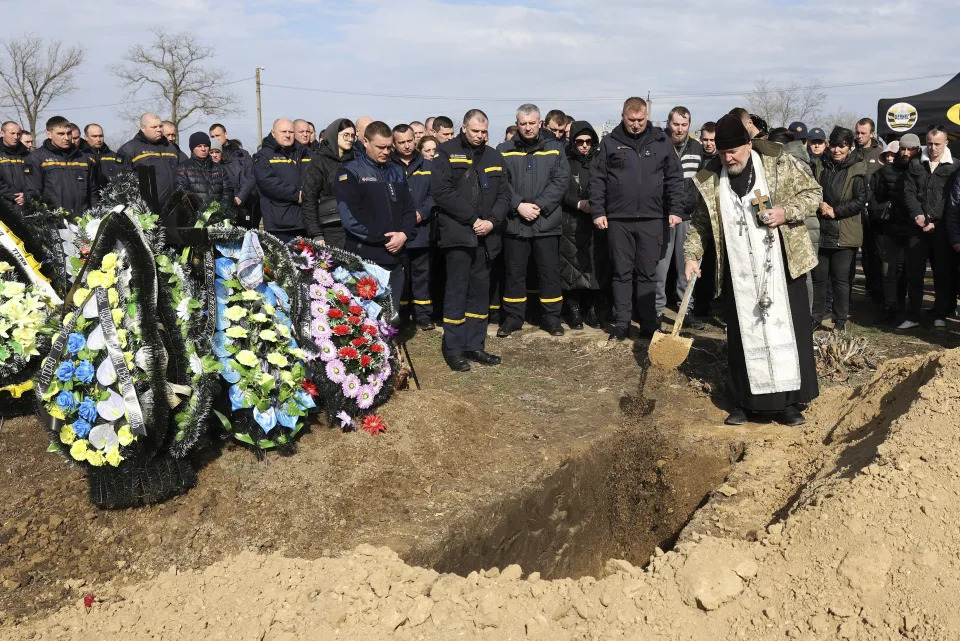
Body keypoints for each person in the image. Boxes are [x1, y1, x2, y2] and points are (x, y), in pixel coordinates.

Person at [684, 114, 821, 426]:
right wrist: (692, 256)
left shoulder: (779, 163)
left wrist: (787, 212)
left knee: (788, 332)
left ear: (748, 144)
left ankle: (789, 404)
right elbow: (699, 227)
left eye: (733, 151)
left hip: (782, 265)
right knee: (744, 337)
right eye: (722, 153)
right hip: (740, 270)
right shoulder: (709, 180)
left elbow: (813, 194)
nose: (728, 158)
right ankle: (744, 403)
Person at [589, 97, 683, 341]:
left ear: (647, 117)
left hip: (653, 218)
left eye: (640, 120)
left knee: (648, 273)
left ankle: (648, 325)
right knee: (621, 273)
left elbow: (674, 177)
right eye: (631, 120)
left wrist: (675, 209)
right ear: (623, 116)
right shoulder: (609, 143)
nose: (636, 125)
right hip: (619, 219)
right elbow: (597, 179)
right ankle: (621, 324)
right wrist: (598, 211)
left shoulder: (662, 142)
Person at [431, 109, 510, 371]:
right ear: (464, 128)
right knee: (456, 292)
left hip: (487, 238)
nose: (479, 136)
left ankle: (475, 345)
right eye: (475, 131)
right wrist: (473, 219)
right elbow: (441, 192)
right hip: (459, 235)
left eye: (484, 131)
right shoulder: (446, 152)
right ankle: (454, 349)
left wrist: (492, 221)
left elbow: (504, 195)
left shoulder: (495, 156)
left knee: (480, 293)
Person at [495, 103, 570, 337]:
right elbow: (500, 182)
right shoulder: (503, 149)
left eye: (531, 123)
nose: (527, 128)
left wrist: (539, 206)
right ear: (517, 124)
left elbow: (561, 181)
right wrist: (518, 205)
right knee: (514, 273)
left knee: (549, 273)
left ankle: (551, 319)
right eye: (523, 123)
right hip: (515, 223)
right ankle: (514, 318)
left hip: (545, 223)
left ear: (540, 123)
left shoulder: (556, 149)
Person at [334, 120, 417, 310]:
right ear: (365, 141)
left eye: (389, 147)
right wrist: (384, 239)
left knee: (391, 316)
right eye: (381, 147)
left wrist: (403, 235)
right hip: (365, 257)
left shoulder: (396, 171)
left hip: (395, 256)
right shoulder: (350, 172)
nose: (386, 152)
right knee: (366, 318)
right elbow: (351, 218)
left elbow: (409, 210)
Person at [811, 127, 867, 332]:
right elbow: (811, 190)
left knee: (841, 280)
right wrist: (820, 204)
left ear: (849, 148)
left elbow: (861, 200)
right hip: (821, 231)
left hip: (844, 232)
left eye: (842, 146)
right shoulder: (819, 165)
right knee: (819, 278)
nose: (836, 150)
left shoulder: (857, 169)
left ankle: (840, 320)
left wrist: (836, 211)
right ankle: (816, 317)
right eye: (834, 145)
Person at [656, 106, 705, 330]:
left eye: (684, 125)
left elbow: (702, 181)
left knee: (686, 265)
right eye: (676, 124)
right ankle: (656, 311)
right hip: (662, 216)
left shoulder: (697, 148)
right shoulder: (659, 144)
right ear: (669, 123)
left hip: (688, 216)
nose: (679, 129)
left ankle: (686, 310)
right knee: (660, 266)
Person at [904, 126, 958, 328]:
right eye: (929, 143)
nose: (933, 148)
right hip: (916, 227)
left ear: (946, 143)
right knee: (915, 273)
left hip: (941, 228)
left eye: (937, 144)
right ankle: (912, 315)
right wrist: (918, 215)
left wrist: (934, 221)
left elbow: (950, 199)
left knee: (942, 273)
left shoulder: (955, 166)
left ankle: (940, 314)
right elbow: (908, 192)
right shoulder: (915, 163)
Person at [871, 134, 923, 325]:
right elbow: (878, 197)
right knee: (888, 271)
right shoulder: (887, 171)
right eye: (903, 148)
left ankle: (911, 311)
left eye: (910, 149)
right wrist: (883, 211)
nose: (906, 152)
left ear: (917, 150)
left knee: (912, 273)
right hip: (892, 228)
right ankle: (890, 307)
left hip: (914, 231)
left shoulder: (923, 170)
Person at [560, 120, 605, 329]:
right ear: (572, 141)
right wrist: (577, 203)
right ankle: (574, 311)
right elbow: (558, 189)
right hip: (570, 221)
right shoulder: (564, 160)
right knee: (571, 270)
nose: (584, 145)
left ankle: (592, 310)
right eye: (579, 141)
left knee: (595, 269)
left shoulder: (600, 159)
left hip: (596, 221)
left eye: (588, 141)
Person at [391, 123, 436, 330]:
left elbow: (435, 194)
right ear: (394, 143)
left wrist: (422, 212)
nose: (407, 146)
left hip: (422, 230)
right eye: (402, 143)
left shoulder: (428, 166)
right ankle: (399, 315)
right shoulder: (388, 167)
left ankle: (423, 316)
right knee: (400, 275)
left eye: (410, 141)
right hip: (397, 231)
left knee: (422, 275)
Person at [301, 118, 356, 248]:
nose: (350, 139)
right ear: (333, 135)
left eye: (353, 136)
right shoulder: (318, 162)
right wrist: (316, 233)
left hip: (354, 228)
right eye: (345, 135)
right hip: (329, 229)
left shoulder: (355, 161)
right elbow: (309, 199)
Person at [26, 115, 96, 216]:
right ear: (49, 134)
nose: (66, 138)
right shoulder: (37, 158)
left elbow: (92, 192)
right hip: (54, 222)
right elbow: (33, 194)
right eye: (61, 134)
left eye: (69, 133)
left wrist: (94, 216)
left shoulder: (83, 158)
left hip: (83, 221)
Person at [253, 118, 308, 243]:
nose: (287, 135)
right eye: (283, 131)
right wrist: (296, 195)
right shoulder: (264, 155)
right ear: (273, 133)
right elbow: (267, 182)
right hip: (279, 224)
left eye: (291, 132)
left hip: (304, 222)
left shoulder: (303, 153)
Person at [118, 113, 184, 213]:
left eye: (160, 126)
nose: (159, 129)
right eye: (154, 127)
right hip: (147, 212)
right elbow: (121, 185)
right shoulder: (129, 150)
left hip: (174, 209)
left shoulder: (171, 147)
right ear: (143, 128)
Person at [172, 131, 235, 222]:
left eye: (205, 146)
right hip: (194, 219)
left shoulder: (220, 169)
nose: (203, 149)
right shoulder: (182, 169)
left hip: (219, 217)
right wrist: (203, 211)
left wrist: (221, 210)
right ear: (192, 148)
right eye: (199, 146)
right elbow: (183, 193)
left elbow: (228, 191)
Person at [210, 123, 258, 229]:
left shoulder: (242, 154)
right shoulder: (211, 157)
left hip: (244, 204)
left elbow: (251, 176)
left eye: (218, 135)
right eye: (212, 137)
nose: (215, 139)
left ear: (225, 134)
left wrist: (241, 196)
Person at [0, 121, 32, 211]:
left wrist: (26, 195)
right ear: (2, 133)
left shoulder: (27, 155)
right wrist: (14, 195)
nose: (16, 137)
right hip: (4, 205)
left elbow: (30, 176)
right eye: (12, 133)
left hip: (25, 204)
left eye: (18, 134)